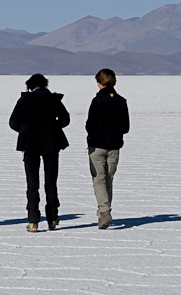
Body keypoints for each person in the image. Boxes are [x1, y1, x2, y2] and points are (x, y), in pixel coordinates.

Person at [9, 73, 70, 232]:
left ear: (30, 85)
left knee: (32, 184)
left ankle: (33, 221)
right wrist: (52, 128)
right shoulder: (53, 100)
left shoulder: (25, 100)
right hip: (51, 145)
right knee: (51, 182)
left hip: (30, 146)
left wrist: (25, 130)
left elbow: (13, 122)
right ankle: (52, 219)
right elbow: (65, 119)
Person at [85, 68, 130, 229]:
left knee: (99, 179)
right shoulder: (121, 101)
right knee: (108, 179)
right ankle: (104, 212)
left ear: (99, 83)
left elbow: (90, 124)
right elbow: (125, 127)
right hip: (114, 146)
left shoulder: (97, 101)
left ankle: (104, 212)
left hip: (97, 146)